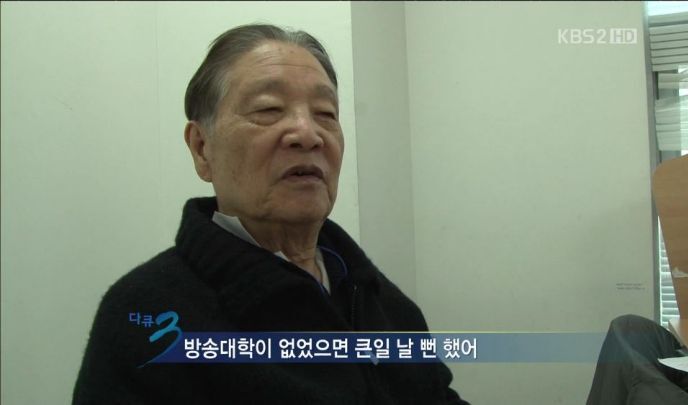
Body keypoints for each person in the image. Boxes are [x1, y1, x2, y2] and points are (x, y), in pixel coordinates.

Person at [72, 24, 468, 405]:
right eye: (269, 109)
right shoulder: (149, 315)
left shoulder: (382, 301)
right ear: (202, 148)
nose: (308, 134)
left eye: (325, 113)